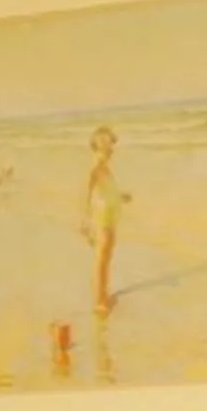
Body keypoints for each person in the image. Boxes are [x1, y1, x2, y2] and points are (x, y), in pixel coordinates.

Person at [80, 125, 129, 314]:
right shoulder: (97, 165)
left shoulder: (104, 166)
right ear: (99, 146)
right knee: (102, 258)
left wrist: (121, 196)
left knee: (106, 257)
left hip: (108, 216)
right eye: (108, 144)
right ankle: (100, 300)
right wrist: (86, 220)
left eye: (111, 144)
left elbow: (108, 191)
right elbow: (89, 191)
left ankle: (103, 295)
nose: (112, 149)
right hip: (102, 218)